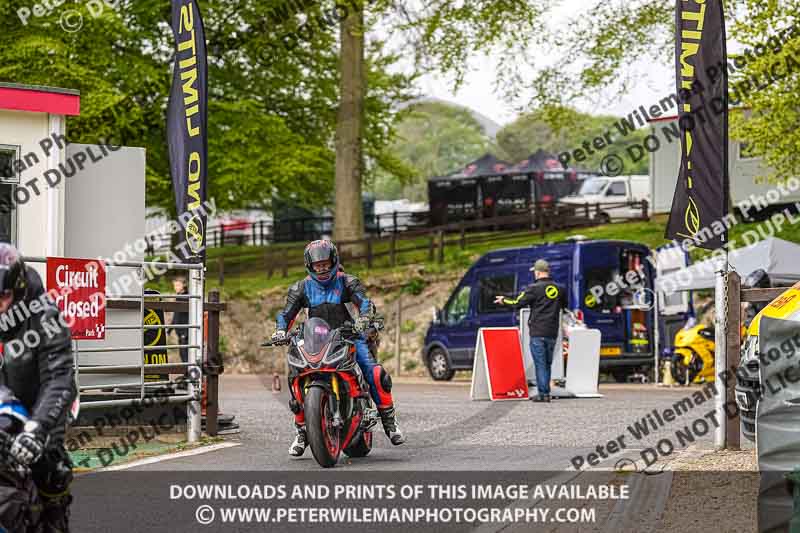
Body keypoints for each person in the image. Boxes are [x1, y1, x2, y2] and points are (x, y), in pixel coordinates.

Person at [272, 240, 405, 456]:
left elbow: (364, 302)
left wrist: (363, 319)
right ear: (310, 265)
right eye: (318, 265)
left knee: (374, 371)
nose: (322, 269)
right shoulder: (301, 287)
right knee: (294, 374)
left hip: (349, 335)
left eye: (325, 264)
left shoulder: (347, 282)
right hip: (317, 338)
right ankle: (303, 430)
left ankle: (390, 422)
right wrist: (280, 331)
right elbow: (286, 314)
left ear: (333, 261)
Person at [0, 243, 76, 531]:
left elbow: (59, 379)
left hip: (42, 401)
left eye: (3, 296)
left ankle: (54, 521)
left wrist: (37, 428)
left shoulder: (45, 315)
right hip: (2, 400)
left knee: (49, 467)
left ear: (18, 289)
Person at [494, 259, 567, 402]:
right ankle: (545, 391)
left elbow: (517, 303)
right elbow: (564, 306)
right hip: (553, 332)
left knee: (540, 364)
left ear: (538, 272)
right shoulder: (560, 289)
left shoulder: (533, 288)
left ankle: (543, 394)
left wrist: (504, 300)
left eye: (534, 272)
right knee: (547, 363)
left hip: (538, 332)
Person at [169, 275, 190, 366]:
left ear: (184, 285)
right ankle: (187, 374)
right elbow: (176, 315)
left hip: (185, 330)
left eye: (178, 285)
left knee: (185, 353)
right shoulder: (178, 297)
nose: (175, 287)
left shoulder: (187, 297)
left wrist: (185, 332)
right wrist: (170, 328)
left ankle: (190, 374)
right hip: (179, 330)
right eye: (174, 285)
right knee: (182, 353)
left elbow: (188, 315)